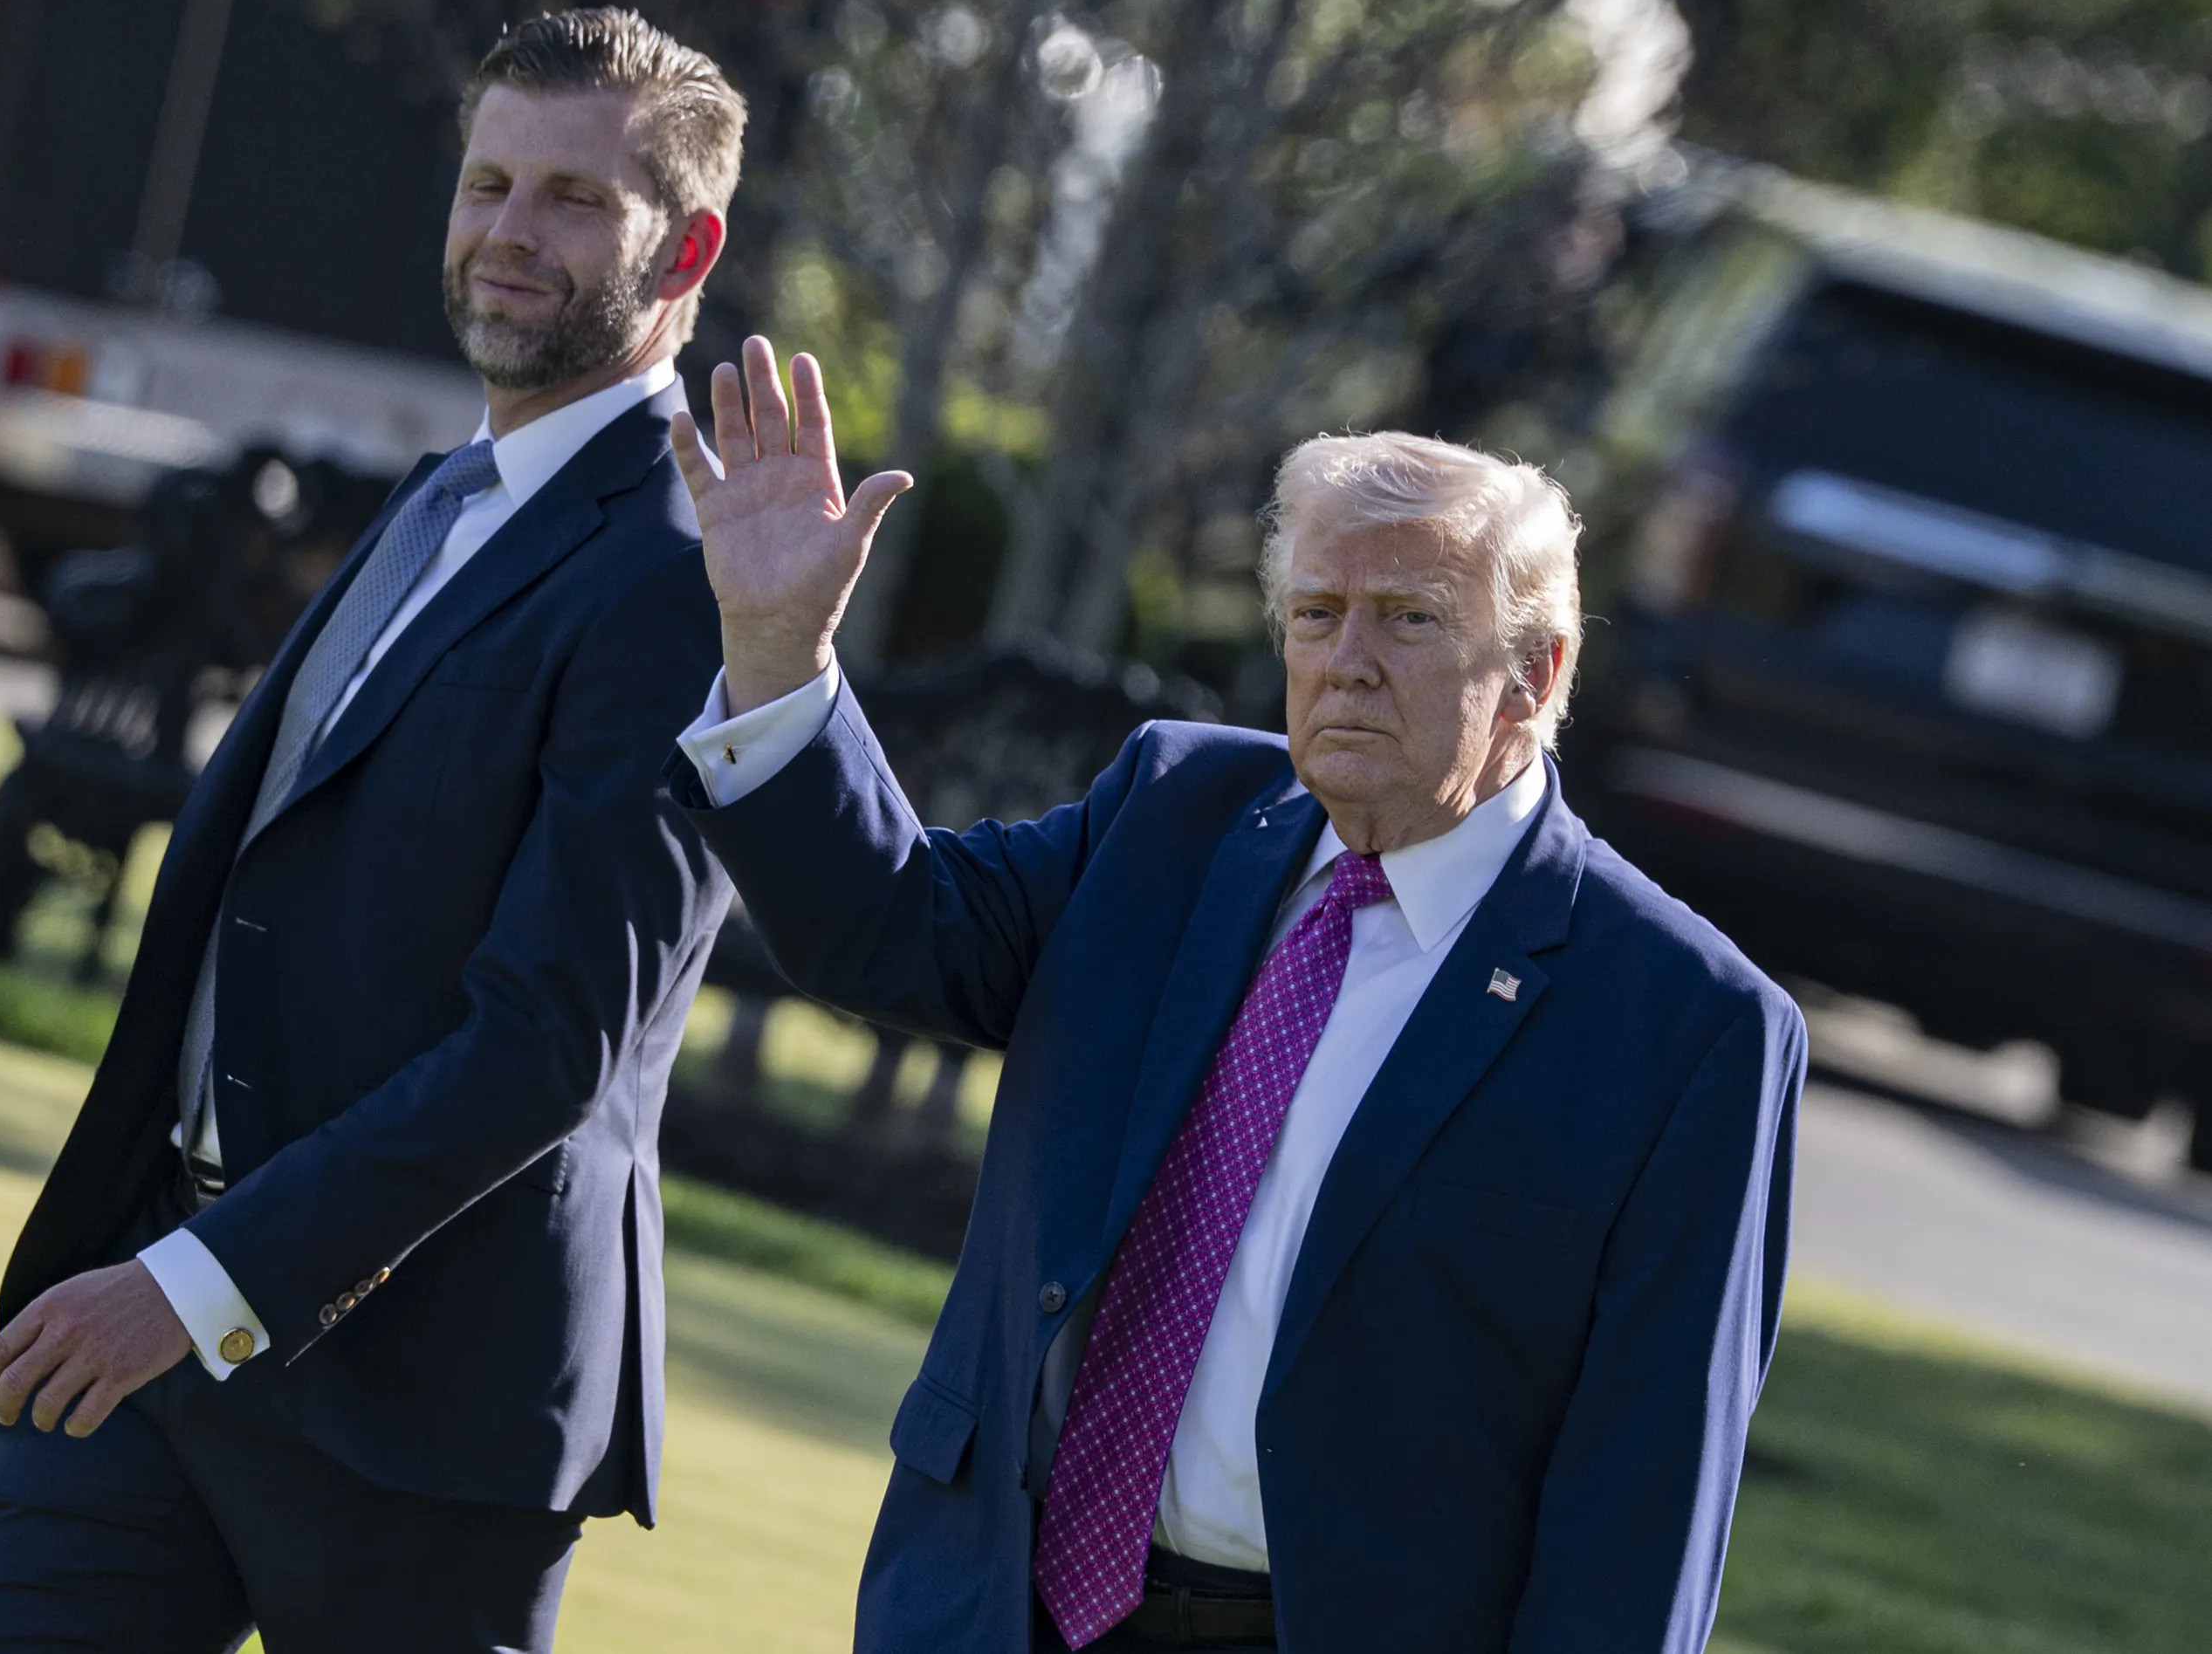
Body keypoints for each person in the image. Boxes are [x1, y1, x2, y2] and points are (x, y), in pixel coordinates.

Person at [664, 343, 1805, 1654]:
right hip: (997, 1603)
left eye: (1411, 618)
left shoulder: (1682, 1022)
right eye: (1316, 613)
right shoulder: (1170, 813)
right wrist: (775, 650)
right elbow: (884, 930)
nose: (1347, 660)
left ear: (1537, 673)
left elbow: (1642, 1500)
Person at [0, 9, 745, 1654]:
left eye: (573, 199)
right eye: (488, 180)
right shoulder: (442, 493)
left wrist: (201, 1284)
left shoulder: (689, 568)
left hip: (431, 1402)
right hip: (171, 1316)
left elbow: (553, 1041)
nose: (508, 230)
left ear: (686, 242)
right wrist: (170, 1259)